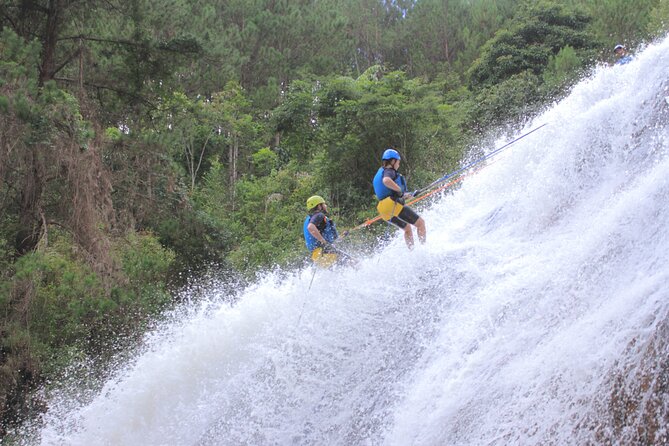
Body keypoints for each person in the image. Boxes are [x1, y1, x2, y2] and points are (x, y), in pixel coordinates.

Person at [372, 148, 426, 248]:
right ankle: (424, 249)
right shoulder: (389, 171)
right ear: (392, 161)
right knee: (421, 223)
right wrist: (400, 190)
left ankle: (412, 253)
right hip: (391, 204)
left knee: (407, 228)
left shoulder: (381, 171)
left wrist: (405, 194)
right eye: (398, 162)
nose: (398, 165)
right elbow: (386, 180)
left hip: (383, 209)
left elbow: (391, 192)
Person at [303, 195, 340, 267]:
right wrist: (323, 241)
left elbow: (324, 234)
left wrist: (342, 235)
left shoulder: (309, 219)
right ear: (319, 206)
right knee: (356, 263)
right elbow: (310, 227)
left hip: (317, 254)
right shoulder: (319, 215)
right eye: (324, 204)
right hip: (326, 252)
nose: (326, 206)